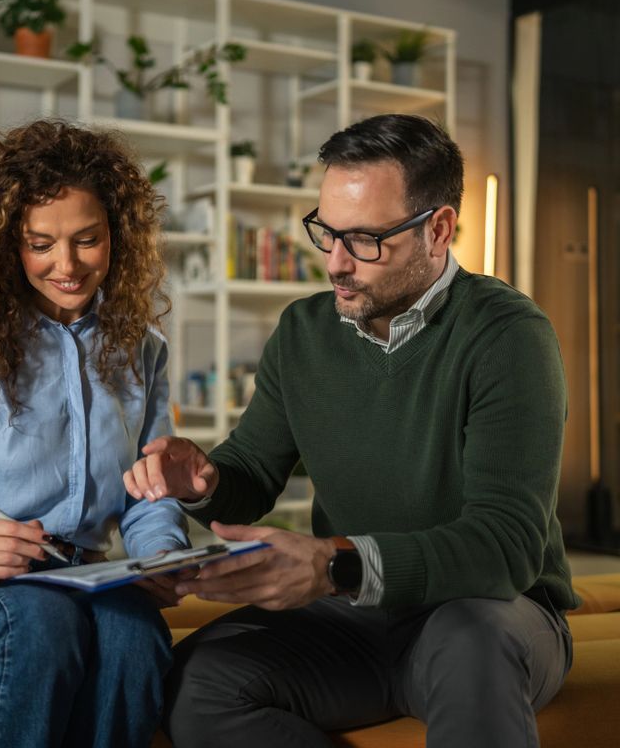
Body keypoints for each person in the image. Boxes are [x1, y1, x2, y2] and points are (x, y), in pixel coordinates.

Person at [124, 114, 578, 748]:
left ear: (438, 230)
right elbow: (251, 474)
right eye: (327, 232)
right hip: (355, 619)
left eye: (364, 239)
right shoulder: (303, 332)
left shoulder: (509, 337)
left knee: (471, 640)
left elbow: (506, 547)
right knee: (195, 681)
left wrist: (336, 565)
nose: (336, 262)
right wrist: (201, 481)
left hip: (493, 611)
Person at [0, 119, 190, 748]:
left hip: (82, 580)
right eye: (39, 243)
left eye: (87, 240)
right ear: (4, 246)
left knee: (135, 635)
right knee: (40, 618)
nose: (66, 265)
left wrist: (162, 552)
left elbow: (147, 495)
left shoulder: (142, 350)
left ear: (117, 237)